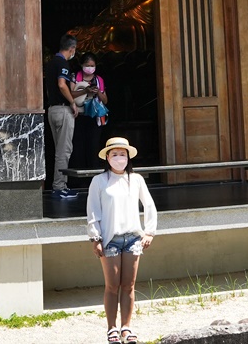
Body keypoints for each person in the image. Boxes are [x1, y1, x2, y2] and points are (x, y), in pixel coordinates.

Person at [87, 136, 157, 344]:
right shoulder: (99, 181)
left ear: (128, 157)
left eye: (122, 154)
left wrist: (149, 231)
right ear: (107, 157)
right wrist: (95, 237)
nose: (119, 158)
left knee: (129, 285)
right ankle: (111, 328)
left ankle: (126, 327)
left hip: (133, 238)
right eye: (115, 154)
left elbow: (149, 205)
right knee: (112, 285)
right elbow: (92, 211)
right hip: (110, 239)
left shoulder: (136, 180)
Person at [44, 34, 80, 199]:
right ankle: (59, 187)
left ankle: (58, 185)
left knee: (59, 150)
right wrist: (72, 102)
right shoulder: (62, 63)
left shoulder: (51, 63)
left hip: (52, 109)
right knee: (64, 150)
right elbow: (61, 84)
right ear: (72, 49)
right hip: (63, 110)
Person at [71, 53, 109, 168]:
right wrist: (85, 91)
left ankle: (93, 175)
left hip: (94, 117)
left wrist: (97, 92)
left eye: (93, 65)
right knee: (78, 146)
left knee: (93, 146)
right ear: (81, 65)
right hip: (78, 116)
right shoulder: (75, 77)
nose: (90, 68)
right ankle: (79, 179)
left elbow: (105, 100)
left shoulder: (98, 80)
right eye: (87, 65)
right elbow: (70, 94)